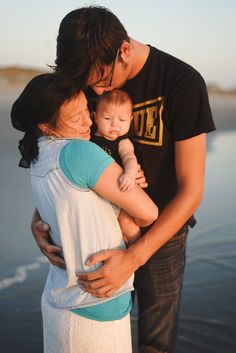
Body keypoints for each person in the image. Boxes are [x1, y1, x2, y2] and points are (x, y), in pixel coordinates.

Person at [31, 6, 216, 353]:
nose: (96, 92)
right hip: (99, 227)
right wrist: (39, 216)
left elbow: (192, 189)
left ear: (125, 51)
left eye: (102, 80)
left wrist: (135, 257)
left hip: (164, 235)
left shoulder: (181, 82)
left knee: (155, 340)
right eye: (89, 86)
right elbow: (61, 148)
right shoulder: (87, 77)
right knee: (103, 326)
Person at [11, 73, 159, 353]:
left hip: (59, 297)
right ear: (45, 124)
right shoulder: (80, 152)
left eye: (86, 112)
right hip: (96, 302)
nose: (88, 123)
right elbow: (148, 212)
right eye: (75, 117)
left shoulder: (37, 155)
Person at [92, 89, 141, 244]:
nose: (114, 124)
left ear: (130, 119)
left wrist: (130, 174)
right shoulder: (88, 138)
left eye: (122, 120)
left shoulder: (122, 142)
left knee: (129, 227)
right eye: (107, 118)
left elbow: (129, 158)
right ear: (95, 117)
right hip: (95, 192)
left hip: (118, 192)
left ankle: (133, 254)